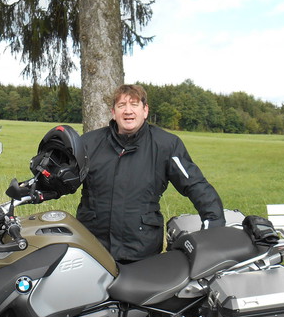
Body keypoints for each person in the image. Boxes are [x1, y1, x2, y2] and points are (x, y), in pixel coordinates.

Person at [76, 84, 225, 263]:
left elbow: (195, 185)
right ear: (113, 112)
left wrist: (213, 223)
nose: (128, 111)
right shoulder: (89, 143)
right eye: (122, 105)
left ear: (145, 110)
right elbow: (61, 180)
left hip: (141, 252)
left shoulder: (166, 145)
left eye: (134, 104)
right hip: (92, 249)